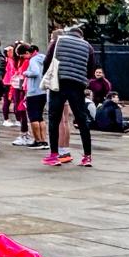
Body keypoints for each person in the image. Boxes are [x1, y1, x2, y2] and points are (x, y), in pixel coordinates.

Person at [41, 26, 96, 167]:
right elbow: (91, 69)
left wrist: (46, 75)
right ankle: (87, 157)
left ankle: (54, 155)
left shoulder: (59, 40)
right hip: (77, 85)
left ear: (68, 33)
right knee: (82, 120)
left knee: (54, 119)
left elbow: (47, 61)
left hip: (59, 82)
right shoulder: (88, 46)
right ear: (81, 36)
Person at [21, 43, 48, 148]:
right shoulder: (43, 58)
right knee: (40, 117)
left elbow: (35, 72)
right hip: (43, 91)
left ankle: (38, 141)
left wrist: (25, 73)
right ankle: (44, 140)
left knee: (33, 117)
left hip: (33, 92)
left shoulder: (33, 60)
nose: (23, 58)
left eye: (23, 56)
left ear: (27, 53)